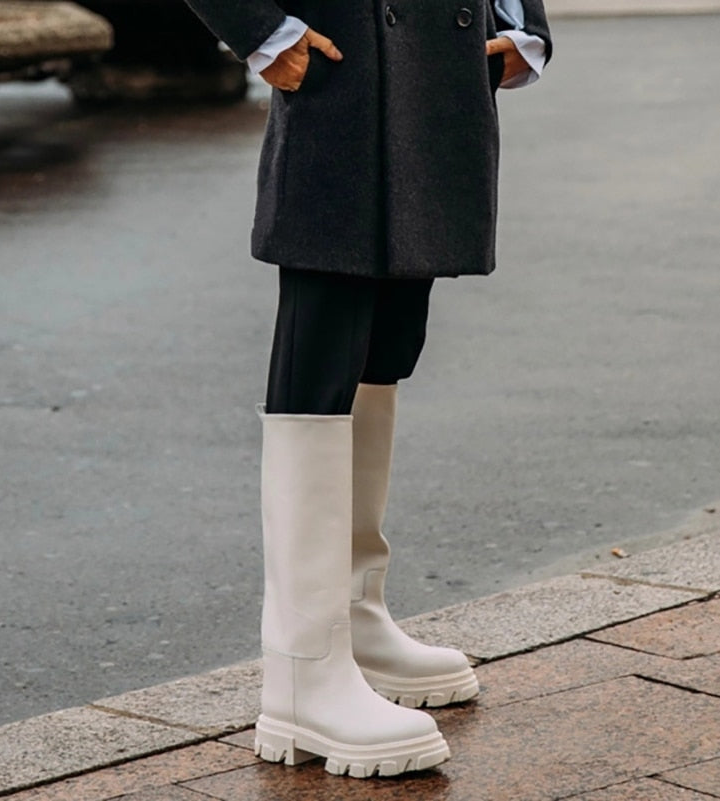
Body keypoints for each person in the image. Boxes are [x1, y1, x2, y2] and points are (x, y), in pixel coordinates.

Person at [184, 0, 552, 779]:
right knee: (322, 353)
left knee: (385, 346)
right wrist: (259, 31)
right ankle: (303, 667)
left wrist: (522, 21)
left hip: (437, 70)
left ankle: (353, 615)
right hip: (339, 67)